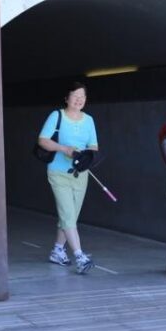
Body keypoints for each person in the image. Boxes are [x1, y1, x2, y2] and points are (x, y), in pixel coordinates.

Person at [38, 81, 99, 275]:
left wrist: (84, 155)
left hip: (80, 174)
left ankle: (57, 251)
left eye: (82, 96)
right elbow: (43, 140)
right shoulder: (56, 116)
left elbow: (94, 146)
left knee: (70, 216)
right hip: (58, 173)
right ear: (67, 98)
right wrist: (64, 149)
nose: (79, 99)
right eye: (75, 95)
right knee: (67, 215)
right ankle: (80, 257)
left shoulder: (89, 120)